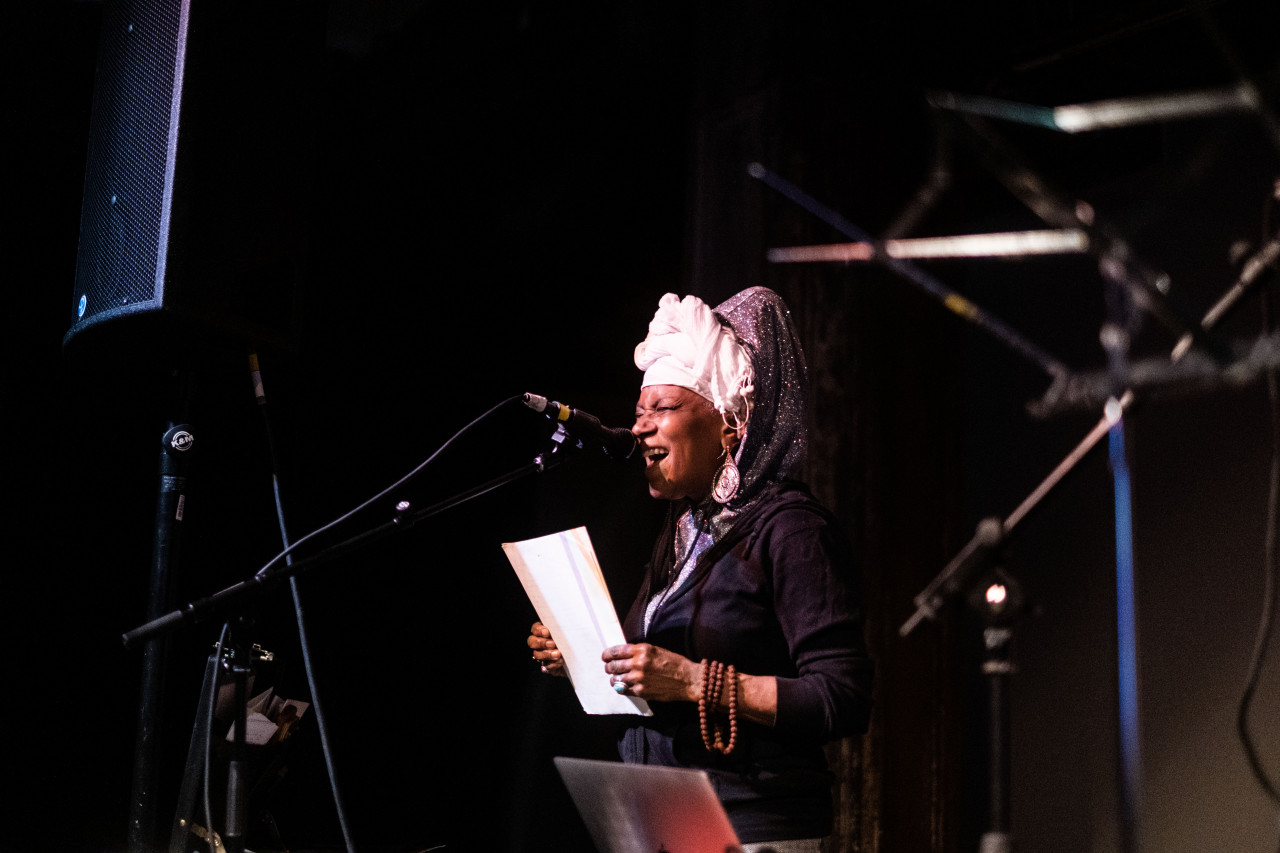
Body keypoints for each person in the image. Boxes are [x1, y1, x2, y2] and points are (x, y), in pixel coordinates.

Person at [528, 287, 873, 852]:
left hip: (752, 829)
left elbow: (842, 697)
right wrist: (586, 661)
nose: (640, 428)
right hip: (664, 821)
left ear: (730, 424)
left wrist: (693, 681)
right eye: (638, 412)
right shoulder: (683, 529)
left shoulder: (792, 529)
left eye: (663, 408)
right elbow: (658, 680)